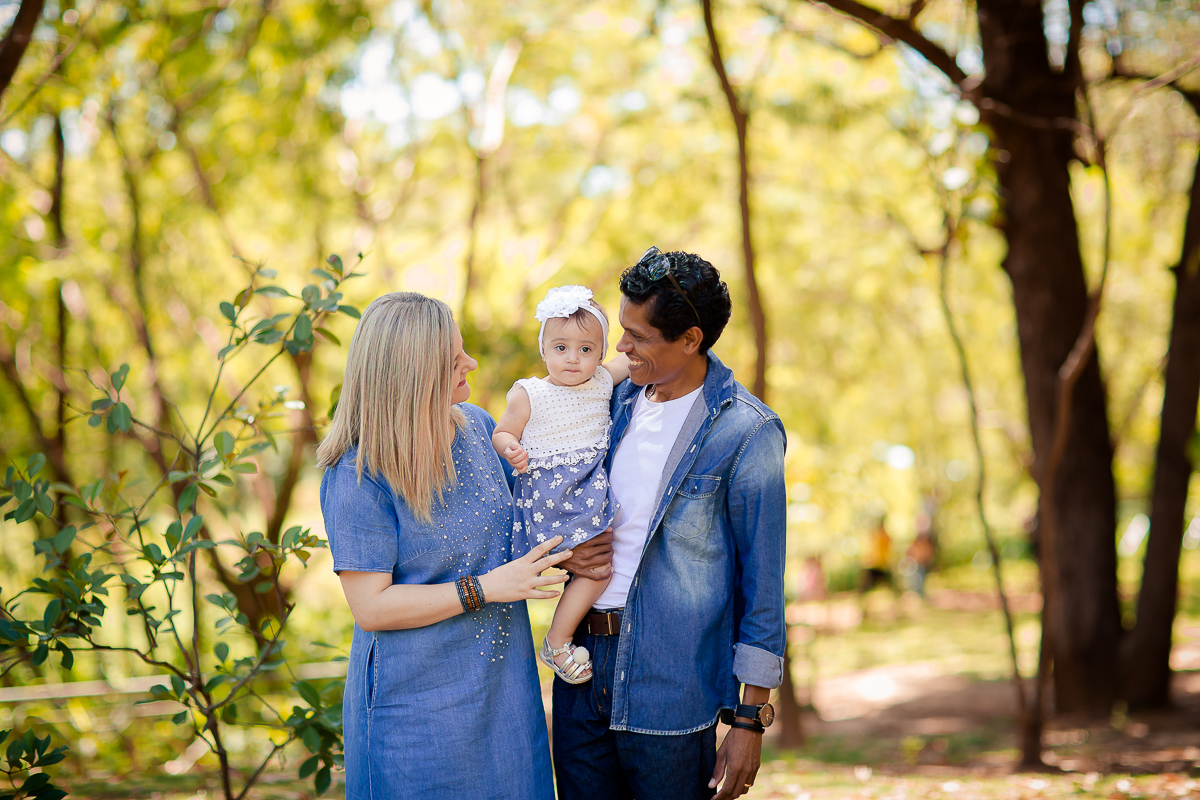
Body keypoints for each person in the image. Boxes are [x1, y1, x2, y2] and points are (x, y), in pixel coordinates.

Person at [315, 292, 574, 800]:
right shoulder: (356, 474)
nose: (471, 364)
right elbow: (370, 607)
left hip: (504, 698)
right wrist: (486, 589)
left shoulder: (478, 428)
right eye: (454, 360)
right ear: (414, 373)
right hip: (414, 711)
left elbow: (527, 520)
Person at [551, 247, 787, 800]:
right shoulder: (607, 403)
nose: (622, 345)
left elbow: (764, 589)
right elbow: (553, 492)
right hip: (581, 670)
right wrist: (566, 554)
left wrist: (749, 720)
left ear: (690, 339)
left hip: (673, 685)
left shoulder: (746, 433)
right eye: (623, 328)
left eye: (639, 335)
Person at [491, 285, 629, 683]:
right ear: (543, 350)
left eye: (586, 349)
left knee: (596, 568)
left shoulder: (602, 381)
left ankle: (558, 639)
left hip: (584, 492)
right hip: (551, 497)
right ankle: (557, 640)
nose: (573, 358)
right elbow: (502, 432)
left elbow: (636, 360)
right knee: (597, 569)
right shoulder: (529, 392)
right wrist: (511, 448)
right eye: (561, 347)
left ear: (601, 353)